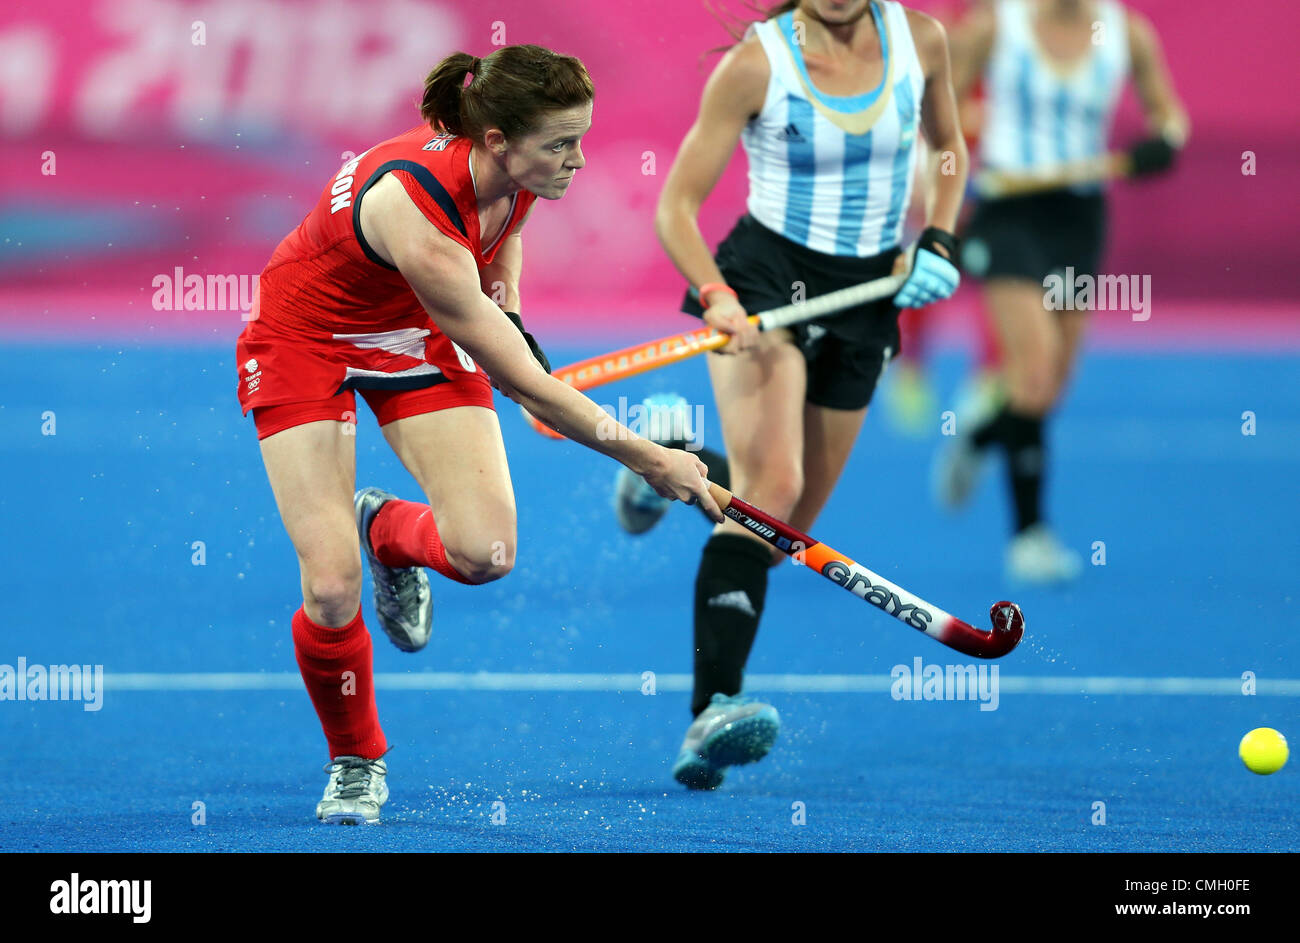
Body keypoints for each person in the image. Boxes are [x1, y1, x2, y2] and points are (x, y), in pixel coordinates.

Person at [235, 44, 722, 824]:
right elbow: (525, 384)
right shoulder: (417, 214)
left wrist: (516, 314)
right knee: (330, 586)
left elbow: (503, 246)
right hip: (305, 340)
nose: (580, 160)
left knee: (485, 554)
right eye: (561, 144)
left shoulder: (520, 177)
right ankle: (357, 759)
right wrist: (651, 456)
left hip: (415, 334)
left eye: (581, 138)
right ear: (496, 139)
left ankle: (385, 529)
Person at [624, 0, 969, 790]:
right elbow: (675, 205)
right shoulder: (757, 64)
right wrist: (714, 293)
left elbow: (947, 149)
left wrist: (938, 237)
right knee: (771, 488)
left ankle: (669, 459)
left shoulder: (921, 41)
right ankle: (713, 710)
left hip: (870, 291)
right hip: (765, 283)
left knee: (782, 525)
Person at [935, 0, 1188, 582]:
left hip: (1078, 219)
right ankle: (1029, 538)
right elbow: (938, 114)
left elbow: (1170, 116)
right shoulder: (998, 25)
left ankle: (977, 436)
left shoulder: (1127, 34)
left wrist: (1164, 142)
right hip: (1008, 215)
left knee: (1047, 390)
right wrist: (951, 163)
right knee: (1033, 371)